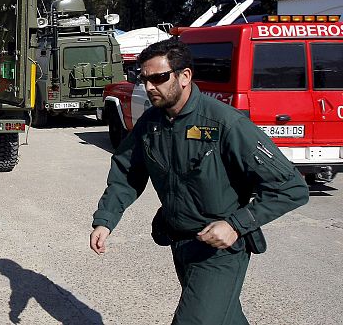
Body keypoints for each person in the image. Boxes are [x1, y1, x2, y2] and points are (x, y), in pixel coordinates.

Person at [89, 39, 309, 324]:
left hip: (220, 251)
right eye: (145, 79)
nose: (150, 87)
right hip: (181, 242)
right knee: (224, 318)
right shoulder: (151, 123)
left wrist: (235, 225)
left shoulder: (224, 123)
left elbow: (292, 188)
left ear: (184, 77)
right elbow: (127, 173)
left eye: (159, 78)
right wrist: (105, 220)